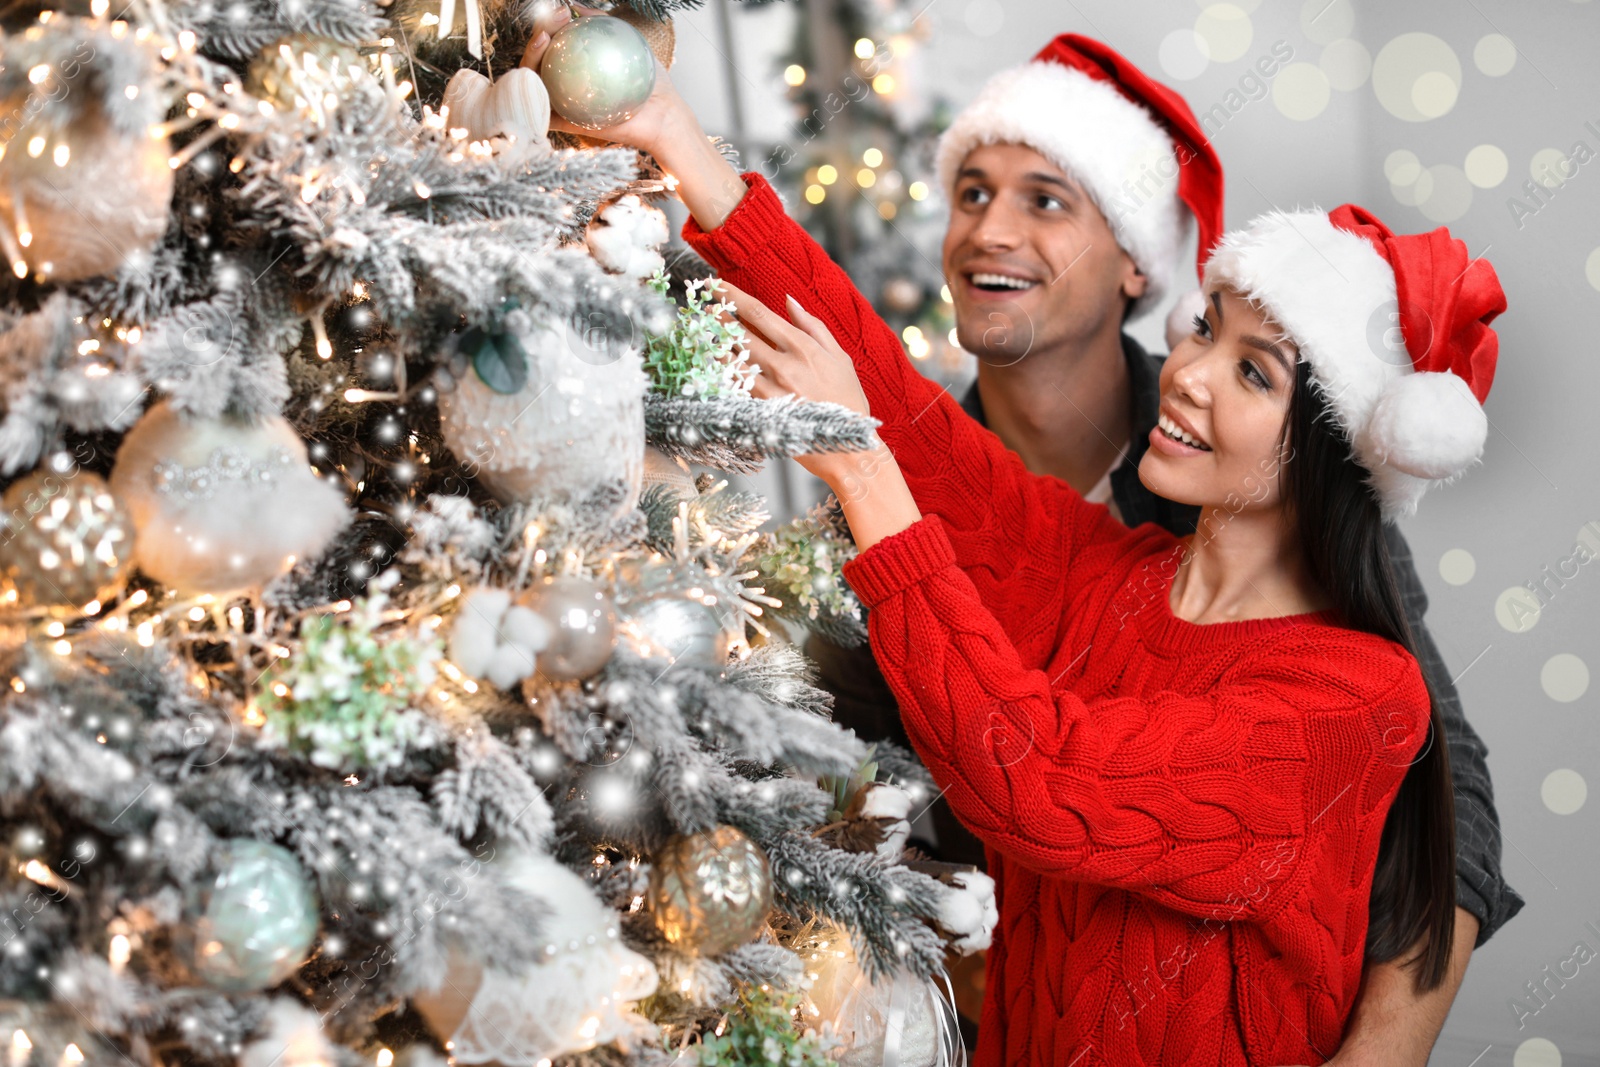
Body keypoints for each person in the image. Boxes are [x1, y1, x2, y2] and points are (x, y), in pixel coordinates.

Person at [520, 20, 1526, 1062]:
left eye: (1255, 371)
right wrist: (677, 139)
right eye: (1205, 328)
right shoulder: (1106, 567)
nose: (1189, 372)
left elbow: (1037, 780)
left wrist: (861, 474)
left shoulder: (1353, 691)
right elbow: (901, 413)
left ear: (1330, 450)